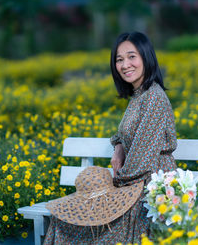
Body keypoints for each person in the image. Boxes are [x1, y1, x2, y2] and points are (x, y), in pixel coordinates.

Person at [43, 31, 177, 244]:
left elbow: (142, 158)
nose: (125, 65)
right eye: (119, 59)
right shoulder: (139, 95)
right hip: (136, 181)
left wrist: (114, 184)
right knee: (67, 219)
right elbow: (127, 134)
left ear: (146, 57)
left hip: (149, 187)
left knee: (77, 224)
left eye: (132, 57)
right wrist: (119, 147)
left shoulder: (153, 97)